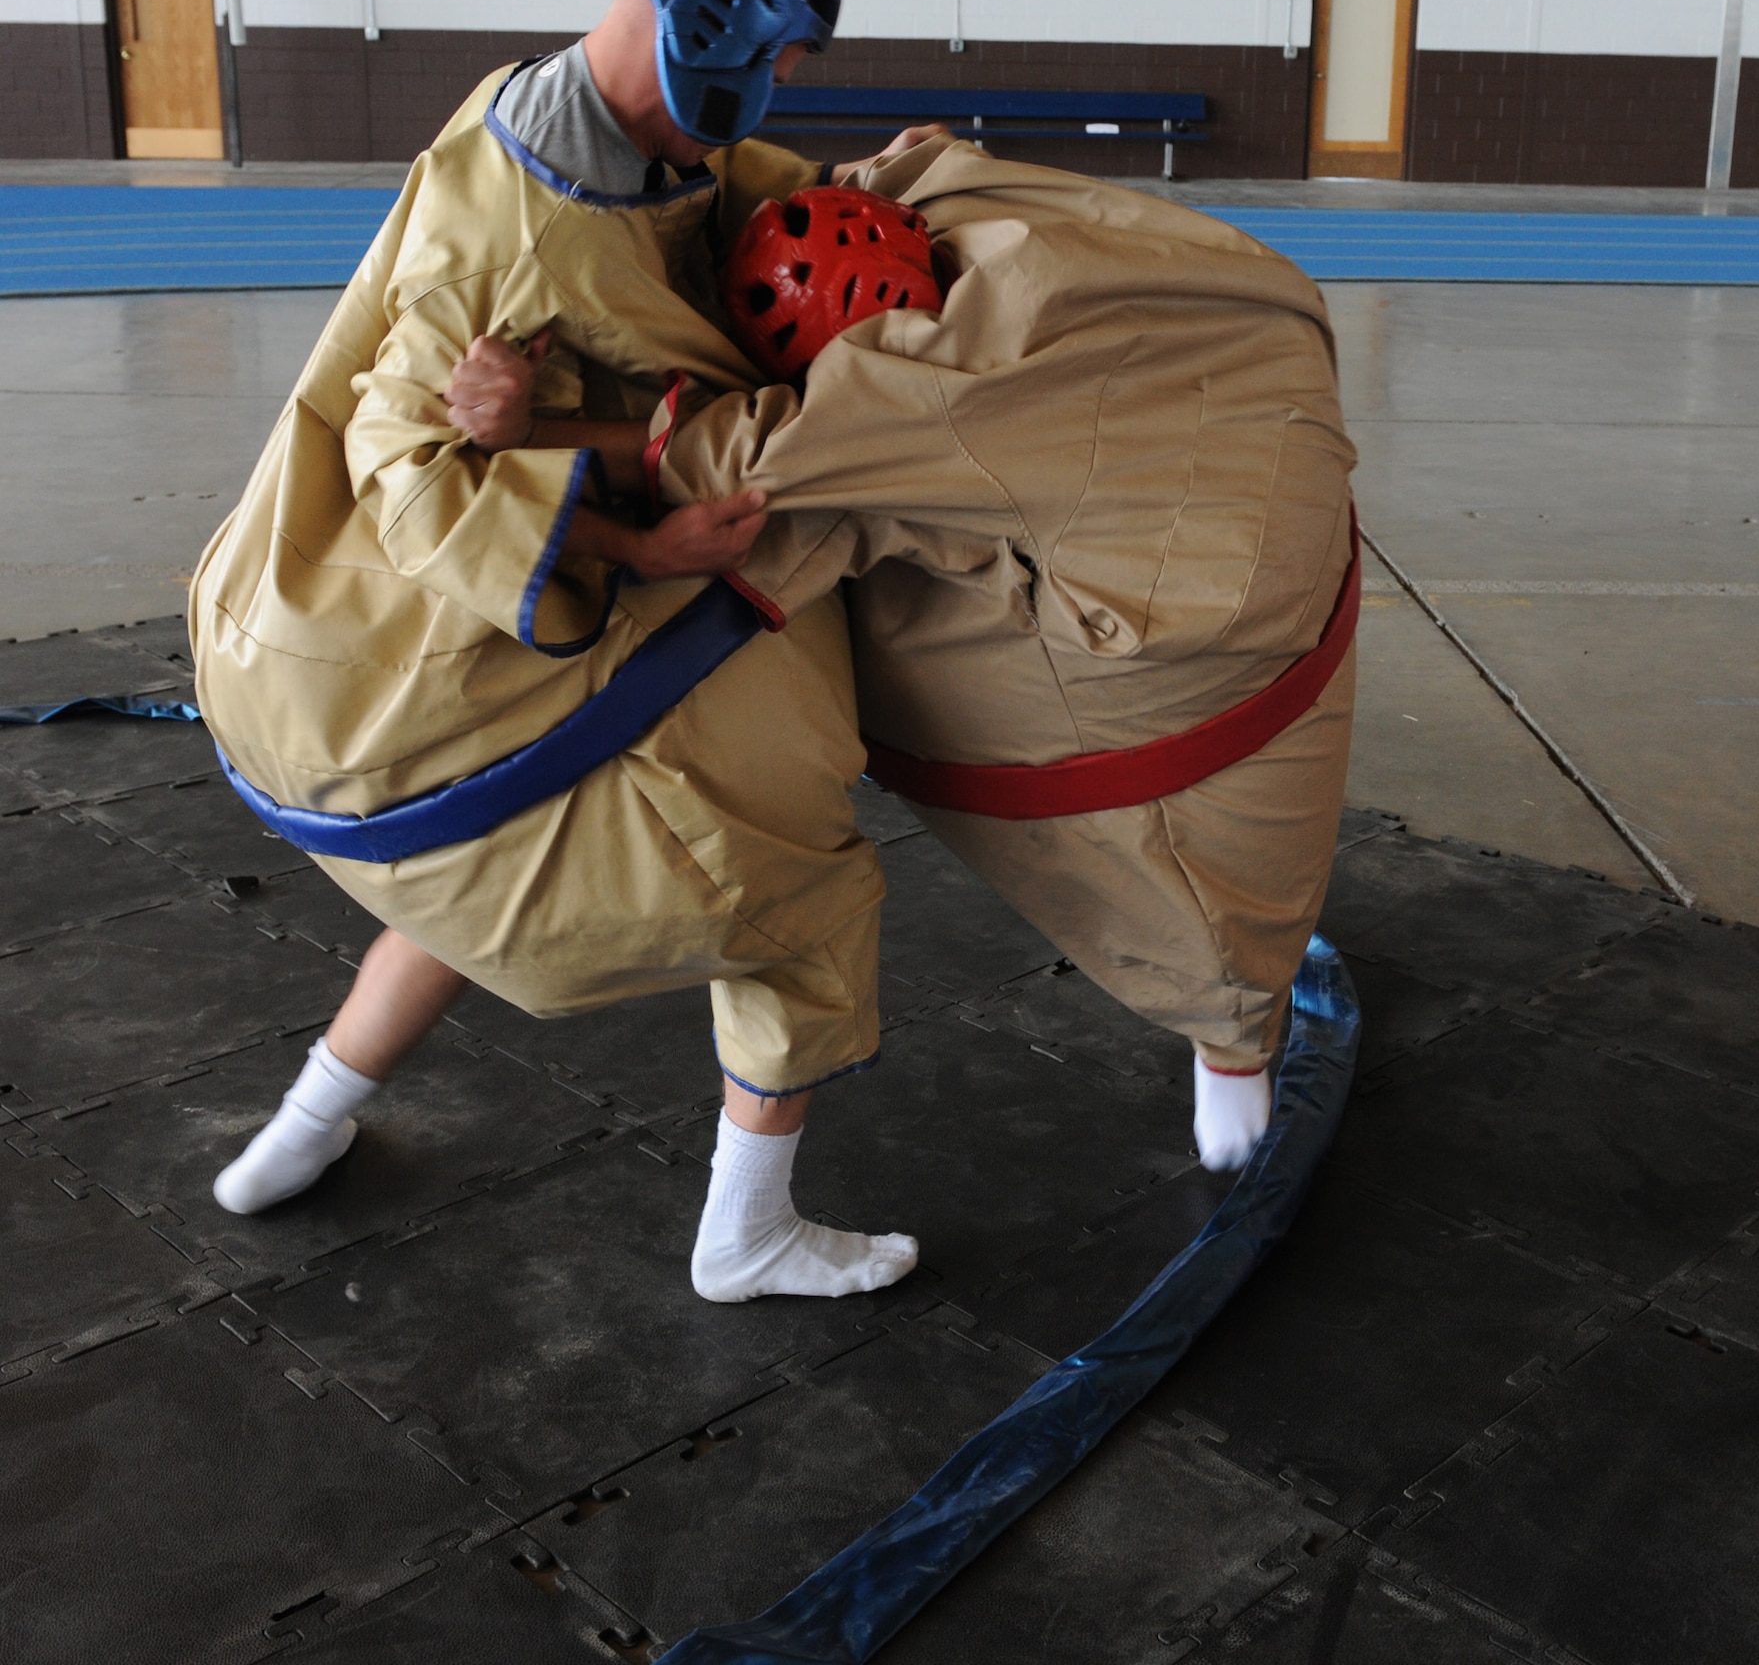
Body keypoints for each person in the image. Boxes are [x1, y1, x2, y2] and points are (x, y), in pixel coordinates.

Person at [193, 0, 939, 1304]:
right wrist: (639, 548)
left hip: (386, 689)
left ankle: (298, 1130)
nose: (779, 82)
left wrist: (856, 180)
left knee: (472, 871)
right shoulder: (516, 237)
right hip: (404, 657)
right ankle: (748, 1234)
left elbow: (706, 196)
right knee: (799, 896)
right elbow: (404, 465)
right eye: (776, 55)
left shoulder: (574, 112)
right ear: (714, 30)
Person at [448, 153, 1359, 1171]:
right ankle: (1232, 1034)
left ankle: (1230, 1025)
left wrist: (534, 430)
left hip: (1213, 600)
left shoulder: (932, 390)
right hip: (1263, 456)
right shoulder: (960, 199)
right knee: (888, 517)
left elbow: (744, 463)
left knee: (842, 529)